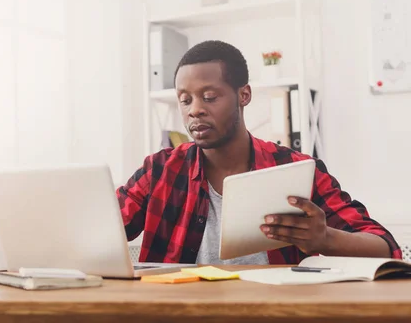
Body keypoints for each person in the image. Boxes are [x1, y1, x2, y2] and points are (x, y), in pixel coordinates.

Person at [116, 40, 401, 265]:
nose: (195, 110)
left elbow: (385, 247)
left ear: (244, 95)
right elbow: (103, 233)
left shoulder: (296, 169)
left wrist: (325, 238)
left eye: (210, 97)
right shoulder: (160, 170)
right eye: (185, 99)